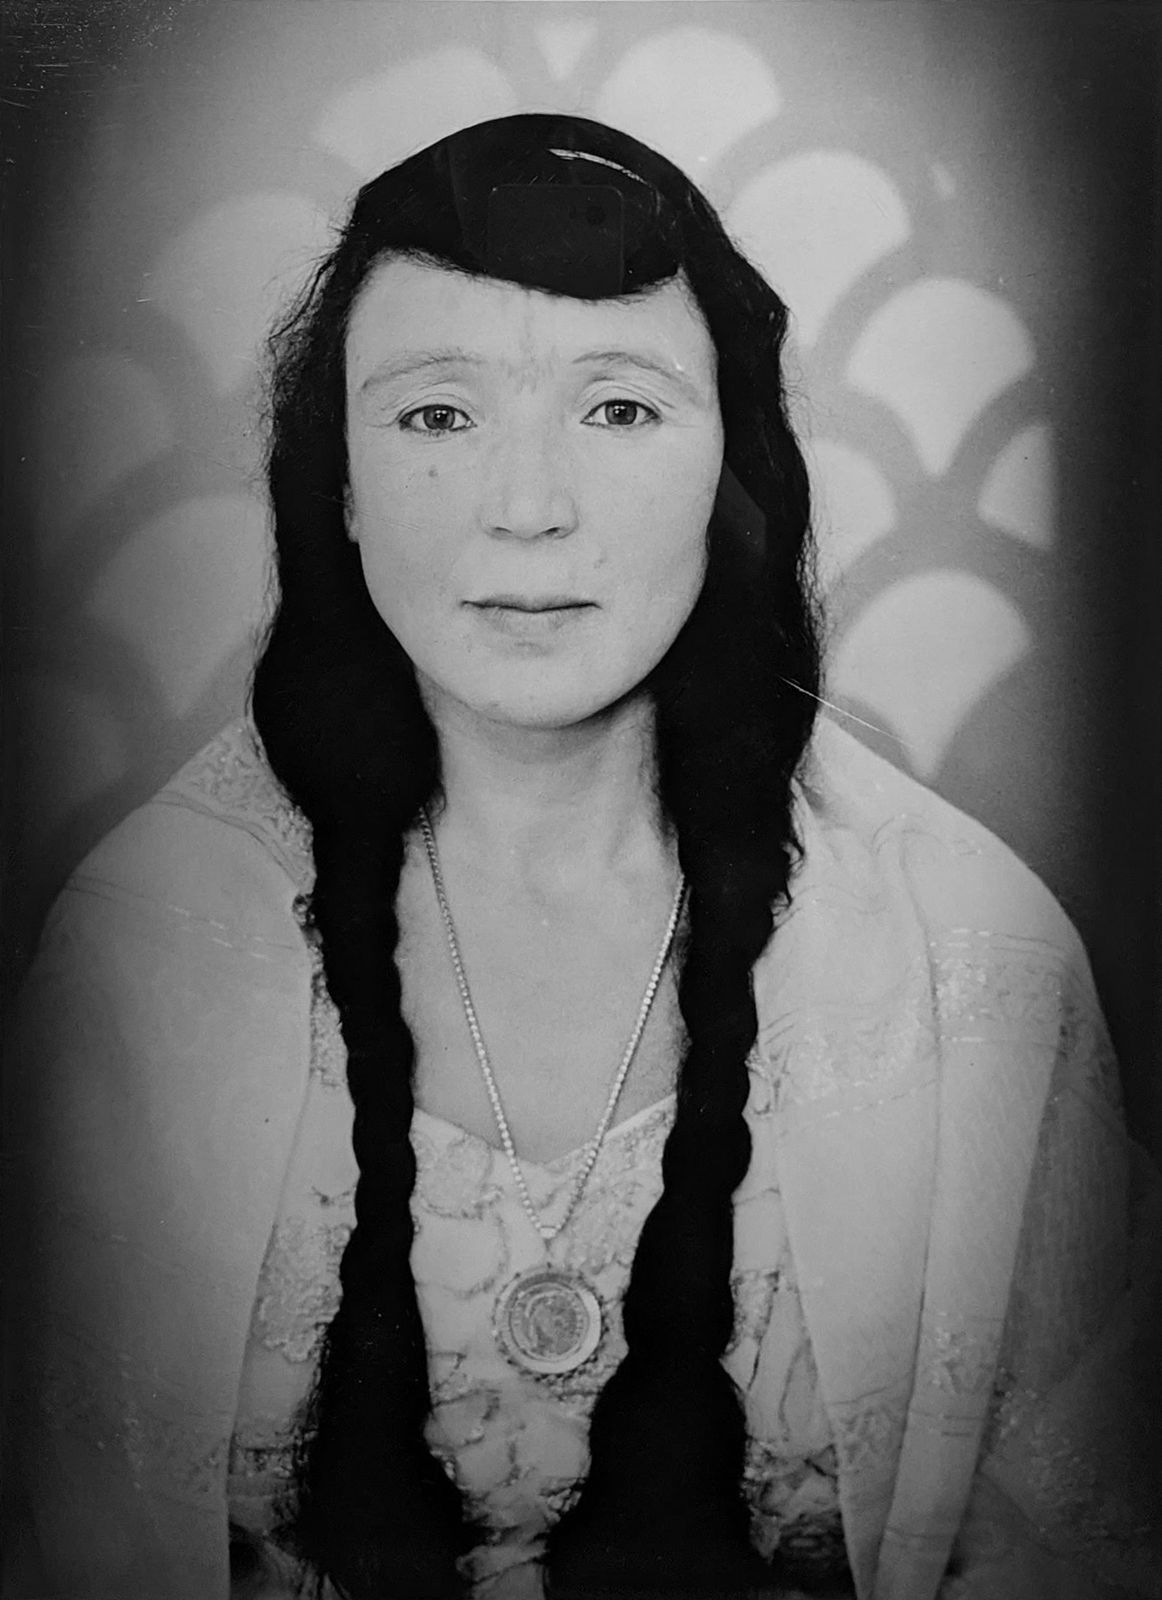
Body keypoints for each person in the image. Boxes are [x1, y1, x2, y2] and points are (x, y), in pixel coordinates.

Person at [4, 113, 1160, 1600]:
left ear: (728, 467)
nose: (530, 508)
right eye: (436, 416)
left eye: (619, 411)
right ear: (341, 489)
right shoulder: (144, 948)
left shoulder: (965, 961)